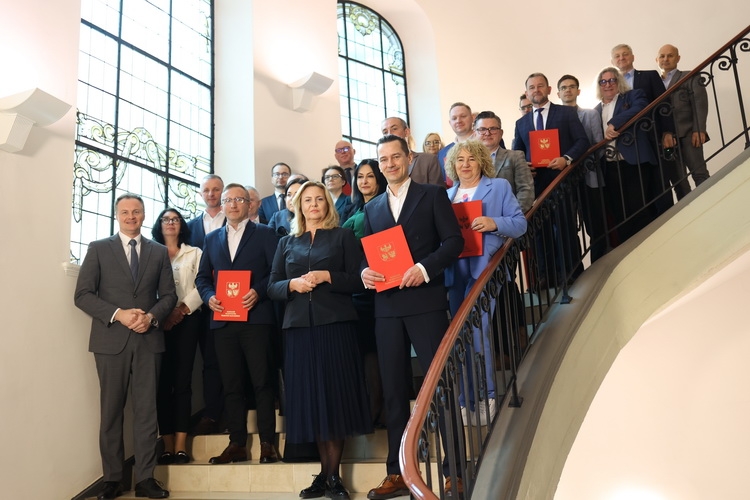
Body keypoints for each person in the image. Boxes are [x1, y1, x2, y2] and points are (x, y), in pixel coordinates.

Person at [362, 135, 464, 499]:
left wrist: (424, 268)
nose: (389, 164)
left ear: (409, 158)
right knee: (393, 391)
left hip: (425, 302)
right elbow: (368, 255)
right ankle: (396, 471)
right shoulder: (372, 208)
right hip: (387, 307)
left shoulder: (432, 194)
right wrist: (364, 272)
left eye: (395, 157)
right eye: (383, 159)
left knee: (440, 386)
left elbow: (454, 242)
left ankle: (455, 470)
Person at [268, 181, 372, 500]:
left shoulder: (343, 237)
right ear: (298, 206)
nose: (313, 205)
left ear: (328, 204)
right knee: (312, 400)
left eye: (319, 199)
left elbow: (358, 280)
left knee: (334, 398)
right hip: (299, 329)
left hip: (335, 326)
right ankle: (324, 476)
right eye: (307, 200)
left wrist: (328, 276)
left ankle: (333, 476)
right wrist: (292, 285)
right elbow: (272, 286)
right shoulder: (287, 242)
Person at [74, 193, 176, 500]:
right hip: (110, 342)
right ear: (117, 216)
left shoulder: (159, 252)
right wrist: (118, 314)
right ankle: (113, 479)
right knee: (111, 411)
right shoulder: (98, 248)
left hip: (148, 340)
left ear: (144, 215)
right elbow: (82, 295)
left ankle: (145, 479)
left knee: (147, 412)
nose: (131, 216)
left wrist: (151, 318)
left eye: (136, 211)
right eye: (125, 212)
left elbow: (169, 296)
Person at [195, 183, 280, 465]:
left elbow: (276, 272)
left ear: (249, 204)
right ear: (222, 204)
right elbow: (202, 278)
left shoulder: (265, 234)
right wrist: (208, 297)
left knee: (262, 381)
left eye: (239, 200)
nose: (233, 204)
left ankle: (267, 442)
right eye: (228, 200)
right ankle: (237, 443)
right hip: (223, 321)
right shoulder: (212, 238)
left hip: (256, 318)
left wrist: (258, 291)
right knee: (230, 384)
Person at [444, 140, 527, 425]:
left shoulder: (499, 186)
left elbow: (520, 224)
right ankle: (466, 400)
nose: (465, 164)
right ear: (452, 165)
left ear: (482, 161)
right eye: (460, 159)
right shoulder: (447, 195)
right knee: (459, 335)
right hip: (455, 272)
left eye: (471, 158)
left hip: (485, 271)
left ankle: (486, 396)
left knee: (477, 332)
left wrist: (494, 223)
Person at [513, 72, 589, 289]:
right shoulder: (521, 123)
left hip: (561, 181)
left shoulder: (566, 113)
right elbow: (518, 152)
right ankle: (546, 276)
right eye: (532, 87)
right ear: (527, 92)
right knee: (540, 231)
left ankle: (571, 272)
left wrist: (566, 159)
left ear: (548, 89)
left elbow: (582, 141)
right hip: (536, 185)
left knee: (565, 228)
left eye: (540, 86)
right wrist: (524, 166)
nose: (536, 90)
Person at [151, 209, 204, 466]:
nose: (171, 223)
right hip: (157, 322)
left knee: (182, 382)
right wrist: (162, 314)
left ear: (182, 225)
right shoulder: (151, 252)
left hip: (187, 320)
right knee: (162, 384)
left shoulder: (194, 253)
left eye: (175, 219)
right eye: (166, 219)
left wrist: (180, 310)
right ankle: (167, 444)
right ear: (159, 225)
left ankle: (181, 445)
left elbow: (202, 284)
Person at [342, 159, 388, 428]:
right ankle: (370, 407)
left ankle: (380, 408)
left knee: (381, 350)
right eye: (360, 177)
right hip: (357, 289)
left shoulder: (387, 205)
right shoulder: (351, 209)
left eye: (370, 176)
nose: (364, 181)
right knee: (366, 351)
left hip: (383, 286)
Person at [595, 67, 659, 244]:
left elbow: (641, 107)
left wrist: (614, 123)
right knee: (619, 212)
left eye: (612, 80)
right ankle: (628, 249)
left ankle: (647, 246)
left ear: (619, 81)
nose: (608, 85)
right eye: (603, 81)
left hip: (634, 161)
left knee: (639, 206)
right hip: (610, 166)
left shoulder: (632, 96)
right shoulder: (596, 110)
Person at [186, 174, 225, 436]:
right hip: (199, 302)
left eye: (216, 189)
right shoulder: (189, 227)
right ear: (200, 193)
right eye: (206, 190)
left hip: (230, 299)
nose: (211, 194)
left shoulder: (233, 222)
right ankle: (211, 414)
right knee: (208, 361)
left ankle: (231, 412)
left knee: (229, 360)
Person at [557, 74, 608, 262]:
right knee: (568, 227)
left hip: (589, 176)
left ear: (578, 91)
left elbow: (598, 145)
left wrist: (584, 165)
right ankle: (576, 267)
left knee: (594, 224)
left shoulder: (590, 114)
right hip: (565, 179)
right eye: (563, 87)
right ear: (558, 93)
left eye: (571, 86)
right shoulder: (555, 118)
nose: (568, 90)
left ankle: (599, 262)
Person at [656, 43, 711, 199]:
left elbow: (700, 104)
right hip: (667, 139)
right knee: (679, 183)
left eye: (670, 55)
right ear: (656, 60)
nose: (665, 59)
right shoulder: (654, 82)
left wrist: (699, 129)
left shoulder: (690, 76)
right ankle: (690, 210)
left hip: (688, 134)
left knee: (700, 174)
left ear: (678, 58)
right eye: (662, 56)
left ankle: (710, 203)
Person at [473, 110, 534, 212]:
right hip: (476, 217)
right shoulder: (467, 161)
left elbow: (526, 190)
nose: (487, 133)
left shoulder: (515, 157)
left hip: (508, 216)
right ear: (475, 134)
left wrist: (513, 216)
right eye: (482, 129)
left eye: (493, 129)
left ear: (501, 133)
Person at [381, 117, 443, 186]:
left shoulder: (428, 160)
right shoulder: (382, 166)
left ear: (406, 132)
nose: (389, 134)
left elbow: (438, 191)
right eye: (385, 132)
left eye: (394, 129)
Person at [438, 102, 475, 175]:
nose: (458, 121)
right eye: (454, 118)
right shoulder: (442, 153)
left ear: (472, 118)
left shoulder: (486, 145)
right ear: (450, 123)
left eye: (463, 116)